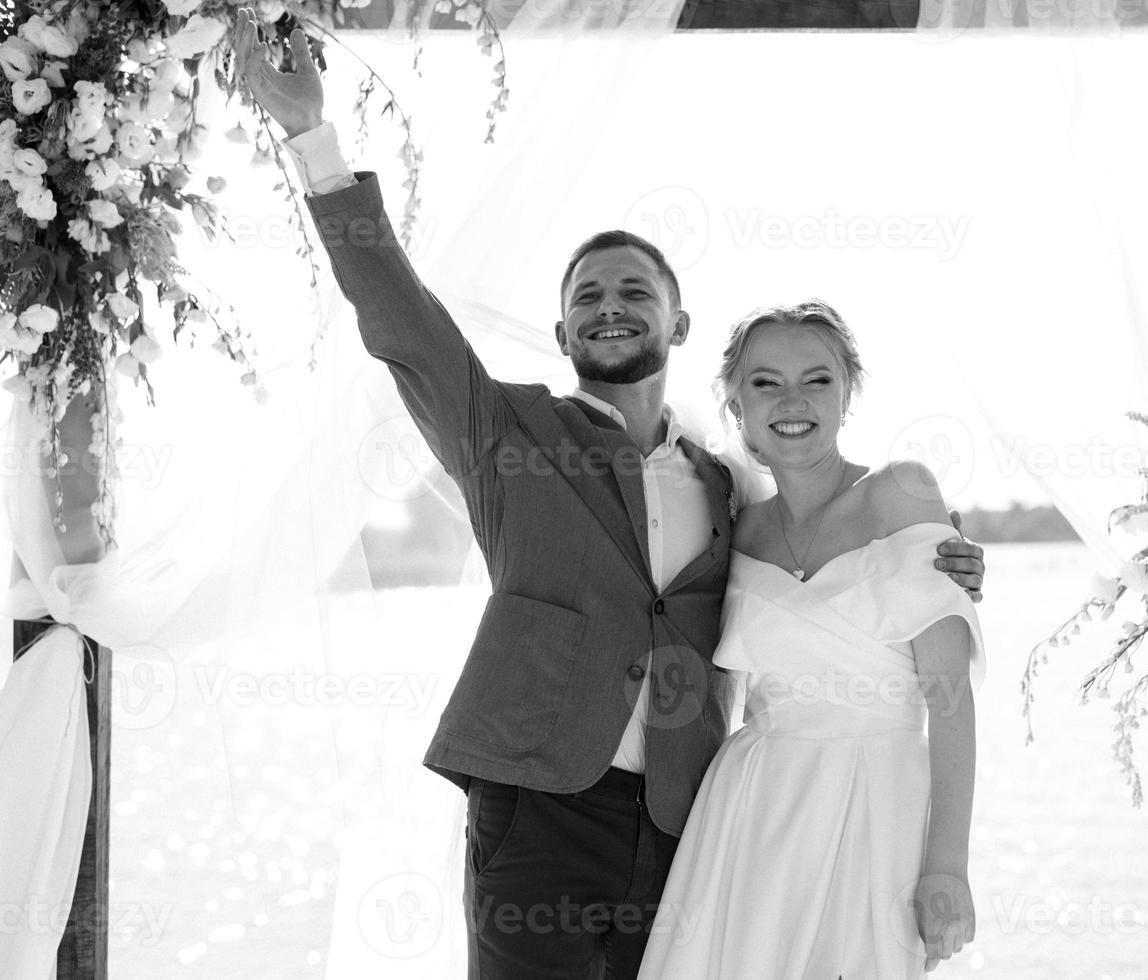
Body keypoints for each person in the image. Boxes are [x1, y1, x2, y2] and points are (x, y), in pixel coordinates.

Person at [232, 11, 987, 978]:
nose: (611, 306)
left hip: (693, 820)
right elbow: (403, 324)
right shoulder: (507, 436)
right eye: (587, 295)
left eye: (634, 290)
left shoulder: (729, 489)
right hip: (538, 807)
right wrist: (313, 142)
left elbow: (851, 566)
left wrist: (942, 555)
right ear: (561, 333)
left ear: (679, 322)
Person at [637, 301, 982, 979]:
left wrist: (947, 864)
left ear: (848, 392)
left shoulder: (902, 492)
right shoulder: (736, 524)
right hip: (752, 810)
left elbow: (950, 700)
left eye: (817, 380)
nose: (791, 400)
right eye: (765, 382)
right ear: (735, 404)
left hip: (876, 802)